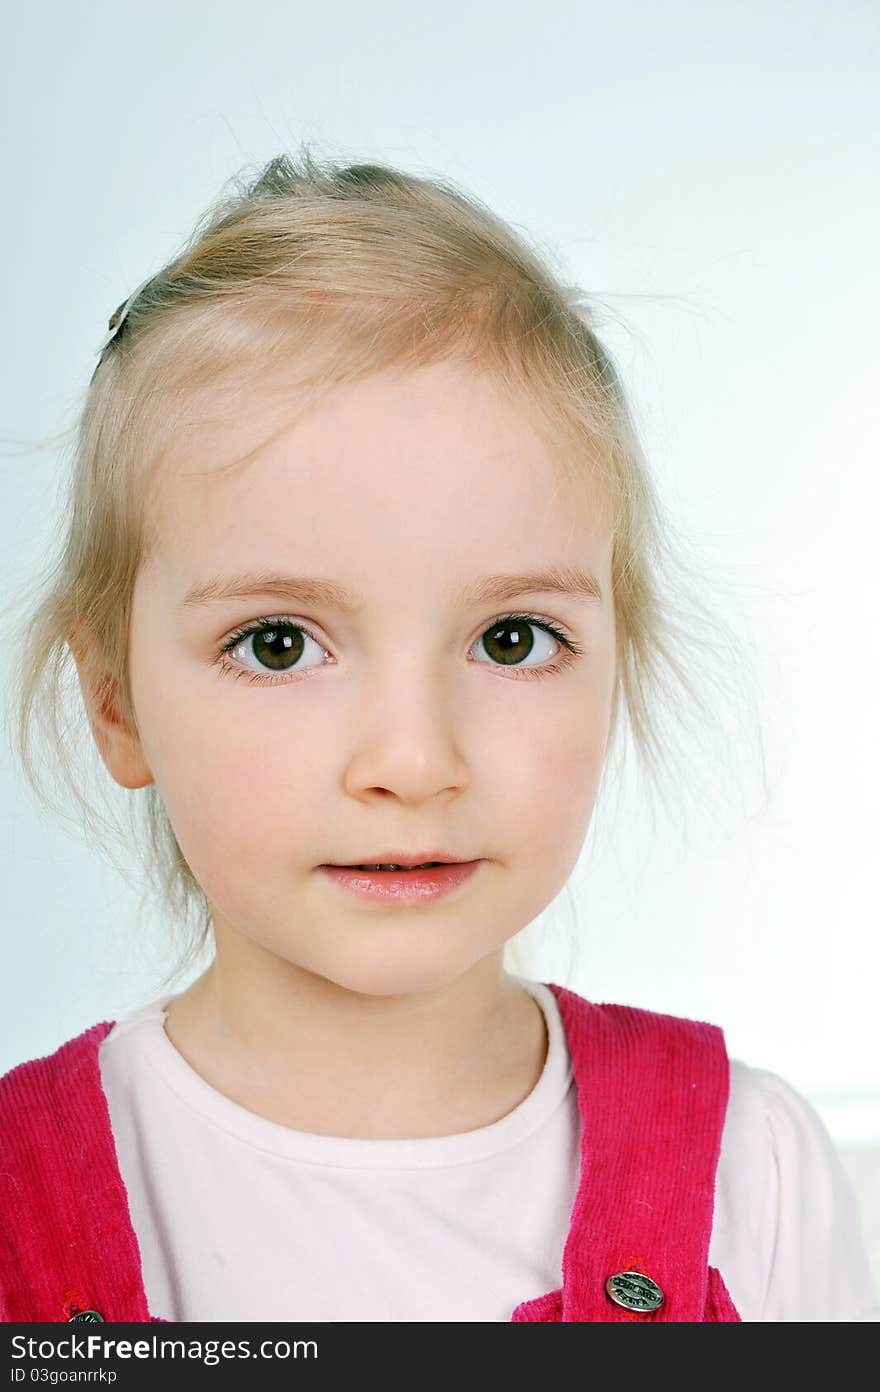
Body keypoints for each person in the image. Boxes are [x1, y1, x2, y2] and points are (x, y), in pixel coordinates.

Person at [1, 149, 876, 1325]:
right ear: (115, 704)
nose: (413, 765)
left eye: (511, 640)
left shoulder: (750, 1175)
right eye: (276, 644)